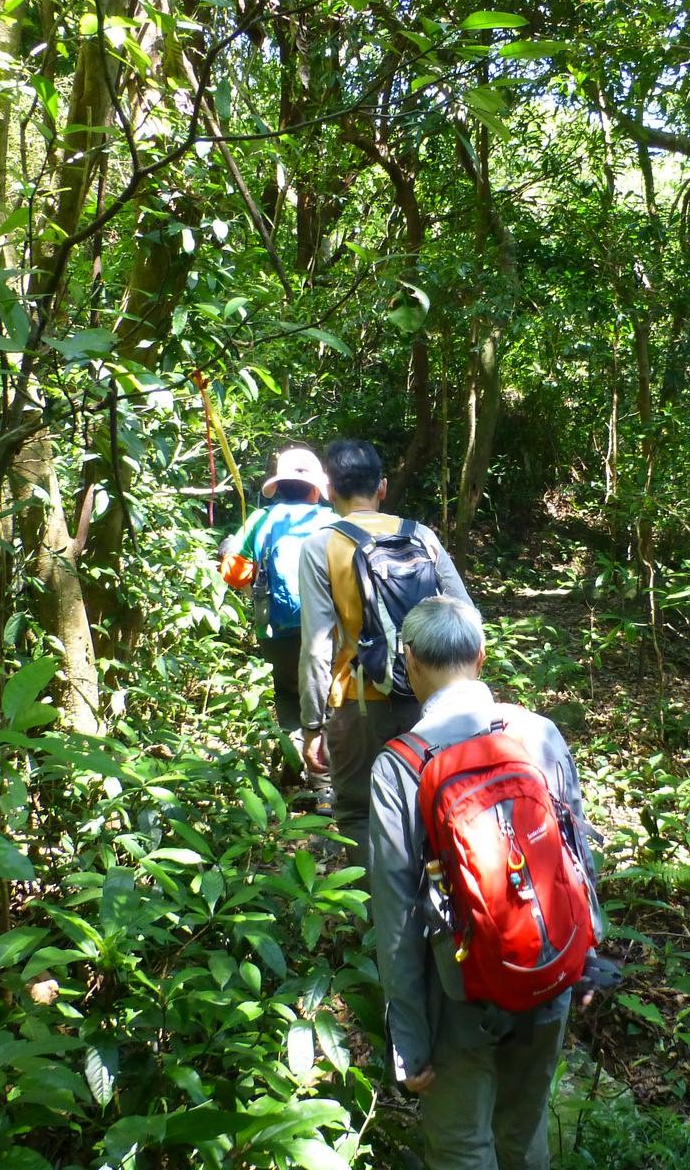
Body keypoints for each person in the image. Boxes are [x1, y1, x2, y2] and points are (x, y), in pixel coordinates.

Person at [368, 596, 607, 1170]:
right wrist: (585, 958)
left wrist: (409, 1040)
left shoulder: (399, 766)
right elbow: (577, 854)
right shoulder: (538, 733)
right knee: (523, 1135)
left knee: (461, 1147)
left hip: (458, 990)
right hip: (548, 966)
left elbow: (397, 918)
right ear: (481, 655)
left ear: (409, 661)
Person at [298, 438, 473, 863]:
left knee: (359, 813)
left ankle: (377, 904)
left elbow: (318, 647)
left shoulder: (321, 546)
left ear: (329, 490)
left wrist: (312, 726)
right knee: (431, 806)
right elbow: (466, 616)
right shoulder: (422, 536)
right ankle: (432, 899)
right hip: (430, 698)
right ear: (382, 486)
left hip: (359, 702)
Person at [220, 447, 333, 782]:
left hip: (277, 628)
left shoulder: (262, 519)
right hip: (329, 628)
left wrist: (231, 554)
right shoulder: (333, 521)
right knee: (328, 698)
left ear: (279, 487)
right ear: (316, 490)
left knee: (287, 694)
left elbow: (234, 574)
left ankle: (295, 769)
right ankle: (325, 784)